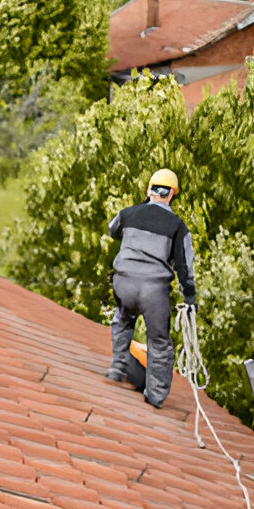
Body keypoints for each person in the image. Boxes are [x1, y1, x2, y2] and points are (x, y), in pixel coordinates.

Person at [103, 169, 196, 409]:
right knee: (159, 342)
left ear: (149, 189)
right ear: (172, 194)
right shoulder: (178, 226)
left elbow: (113, 229)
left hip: (123, 281)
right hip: (153, 290)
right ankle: (154, 396)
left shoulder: (128, 213)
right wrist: (190, 298)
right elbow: (184, 266)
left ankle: (117, 369)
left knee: (122, 321)